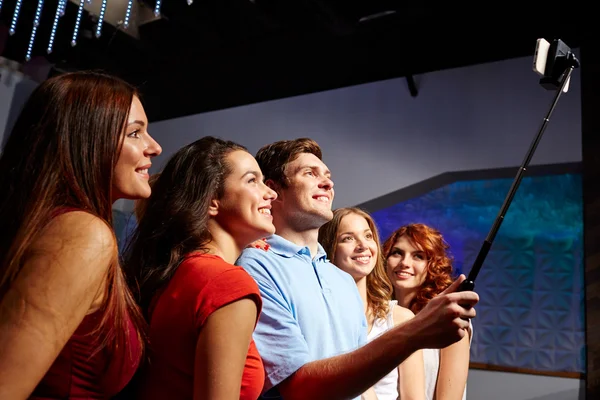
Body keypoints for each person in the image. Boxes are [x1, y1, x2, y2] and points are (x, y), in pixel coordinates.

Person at [236, 138, 479, 400]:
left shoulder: (340, 280)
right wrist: (414, 332)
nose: (328, 183)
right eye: (309, 173)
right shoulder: (256, 267)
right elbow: (298, 388)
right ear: (274, 190)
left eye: (328, 176)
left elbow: (362, 383)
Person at [0, 71, 162, 399]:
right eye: (135, 133)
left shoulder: (52, 226)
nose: (154, 147)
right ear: (87, 140)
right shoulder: (83, 234)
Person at [124, 136, 277, 400]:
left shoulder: (181, 271)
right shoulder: (227, 283)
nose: (270, 193)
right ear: (211, 202)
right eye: (252, 180)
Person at [319, 207, 425, 400]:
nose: (363, 245)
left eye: (368, 236)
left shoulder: (401, 319)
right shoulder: (319, 317)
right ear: (329, 248)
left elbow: (414, 397)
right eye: (348, 238)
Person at [382, 223, 472, 400]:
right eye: (397, 253)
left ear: (433, 266)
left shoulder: (447, 318)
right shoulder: (377, 315)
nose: (404, 263)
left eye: (418, 256)